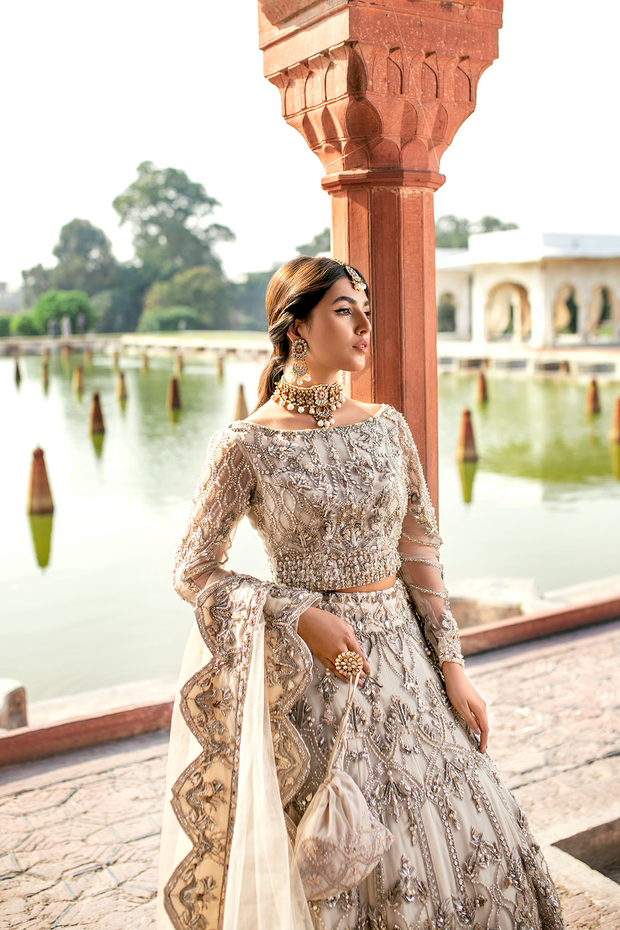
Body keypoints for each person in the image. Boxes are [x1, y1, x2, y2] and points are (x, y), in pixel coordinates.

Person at [157, 257, 564, 930]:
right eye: (346, 309)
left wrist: (455, 670)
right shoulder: (246, 444)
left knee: (458, 827)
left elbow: (421, 554)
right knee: (340, 843)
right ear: (297, 329)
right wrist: (298, 613)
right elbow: (192, 568)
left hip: (409, 668)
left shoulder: (387, 425)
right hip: (317, 679)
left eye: (366, 308)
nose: (365, 324)